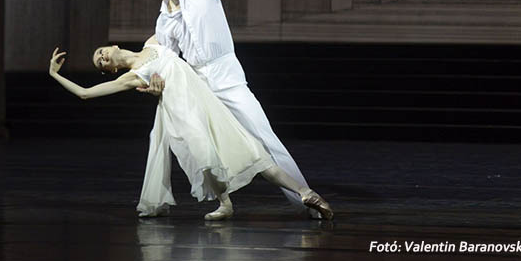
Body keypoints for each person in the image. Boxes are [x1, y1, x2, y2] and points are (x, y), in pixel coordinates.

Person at [139, 0, 320, 217]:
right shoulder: (164, 19)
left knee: (264, 139)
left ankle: (306, 200)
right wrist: (153, 78)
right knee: (190, 140)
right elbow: (164, 55)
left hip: (226, 78)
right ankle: (219, 202)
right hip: (199, 85)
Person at [48, 42, 333, 221]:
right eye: (99, 62)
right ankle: (225, 203)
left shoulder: (153, 42)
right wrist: (55, 74)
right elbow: (85, 93)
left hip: (207, 103)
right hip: (184, 115)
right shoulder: (131, 77)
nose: (101, 57)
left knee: (250, 150)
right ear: (110, 70)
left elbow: (175, 18)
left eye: (100, 52)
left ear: (112, 46)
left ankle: (306, 192)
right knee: (208, 157)